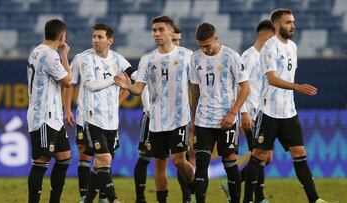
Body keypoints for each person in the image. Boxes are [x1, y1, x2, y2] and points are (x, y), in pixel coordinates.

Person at [242, 9, 336, 203]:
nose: (293, 25)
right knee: (259, 155)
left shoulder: (292, 46)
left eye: (293, 22)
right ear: (276, 26)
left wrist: (294, 90)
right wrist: (297, 87)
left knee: (299, 153)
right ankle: (247, 200)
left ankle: (315, 199)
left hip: (288, 111)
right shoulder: (269, 47)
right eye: (288, 22)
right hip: (269, 111)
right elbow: (271, 79)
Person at [115, 15, 195, 203]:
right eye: (154, 30)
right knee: (159, 163)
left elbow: (195, 86)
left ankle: (194, 184)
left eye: (160, 30)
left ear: (171, 32)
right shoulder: (147, 59)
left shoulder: (187, 56)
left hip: (180, 118)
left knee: (178, 160)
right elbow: (139, 89)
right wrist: (128, 87)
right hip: (157, 120)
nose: (156, 34)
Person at [63, 24, 131, 203]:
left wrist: (119, 100)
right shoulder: (82, 59)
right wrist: (68, 109)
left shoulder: (118, 60)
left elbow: (134, 78)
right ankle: (93, 196)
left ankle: (97, 198)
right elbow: (71, 83)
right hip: (87, 116)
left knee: (104, 159)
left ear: (110, 40)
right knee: (89, 155)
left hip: (111, 119)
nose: (95, 40)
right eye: (94, 36)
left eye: (100, 37)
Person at [189, 22, 249, 203]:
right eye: (201, 46)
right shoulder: (195, 58)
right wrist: (193, 118)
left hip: (227, 120)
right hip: (203, 121)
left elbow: (245, 88)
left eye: (208, 46)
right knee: (201, 165)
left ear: (216, 39)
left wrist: (233, 114)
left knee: (230, 163)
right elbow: (194, 90)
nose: (205, 50)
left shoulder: (231, 57)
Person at [220, 20, 275, 203]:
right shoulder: (249, 56)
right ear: (263, 35)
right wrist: (242, 113)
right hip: (251, 114)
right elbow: (239, 86)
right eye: (273, 36)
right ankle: (258, 197)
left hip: (265, 113)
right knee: (260, 156)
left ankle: (233, 185)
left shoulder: (269, 57)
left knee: (265, 158)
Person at [27, 18, 72, 203]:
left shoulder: (36, 51)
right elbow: (68, 81)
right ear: (62, 36)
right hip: (44, 116)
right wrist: (65, 56)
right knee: (41, 161)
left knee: (64, 157)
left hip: (54, 116)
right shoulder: (50, 55)